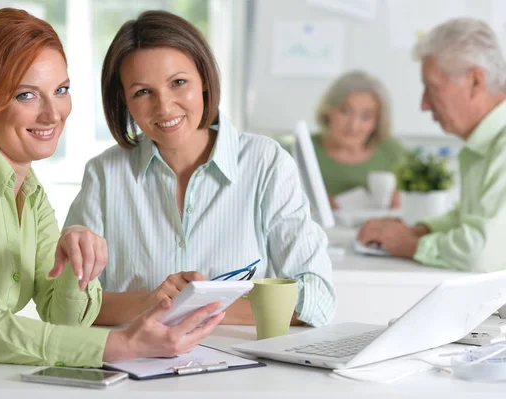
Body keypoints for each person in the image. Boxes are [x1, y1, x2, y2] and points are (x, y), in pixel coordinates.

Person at [0, 9, 223, 398]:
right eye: (26, 95)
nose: (53, 113)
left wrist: (77, 258)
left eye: (61, 89)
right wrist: (125, 345)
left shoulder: (29, 186)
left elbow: (60, 315)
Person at [65, 10, 336, 327]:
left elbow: (317, 301)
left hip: (242, 370)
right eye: (142, 92)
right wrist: (153, 300)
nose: (164, 106)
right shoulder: (105, 175)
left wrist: (198, 307)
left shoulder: (266, 164)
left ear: (205, 80)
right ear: (123, 100)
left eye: (178, 83)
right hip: (134, 367)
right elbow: (69, 306)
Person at [358, 18, 506, 272]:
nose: (424, 105)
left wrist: (408, 244)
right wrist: (420, 230)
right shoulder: (483, 144)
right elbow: (470, 218)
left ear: (475, 82)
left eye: (432, 88)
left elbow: (481, 252)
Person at [312, 70, 408, 209]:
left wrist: (404, 201)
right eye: (345, 111)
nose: (353, 125)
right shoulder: (303, 151)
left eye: (366, 116)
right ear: (329, 111)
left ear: (377, 122)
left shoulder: (394, 153)